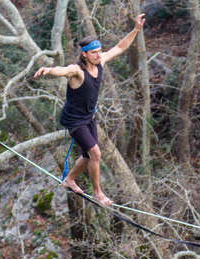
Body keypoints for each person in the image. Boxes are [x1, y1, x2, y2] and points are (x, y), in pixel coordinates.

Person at [34, 15, 145, 206]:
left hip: (88, 117)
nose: (99, 55)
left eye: (100, 51)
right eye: (94, 52)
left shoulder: (100, 62)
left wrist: (135, 29)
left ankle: (69, 180)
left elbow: (119, 47)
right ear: (84, 54)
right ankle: (97, 193)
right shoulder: (77, 71)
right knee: (96, 154)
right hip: (74, 120)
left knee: (87, 156)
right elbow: (63, 69)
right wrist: (48, 70)